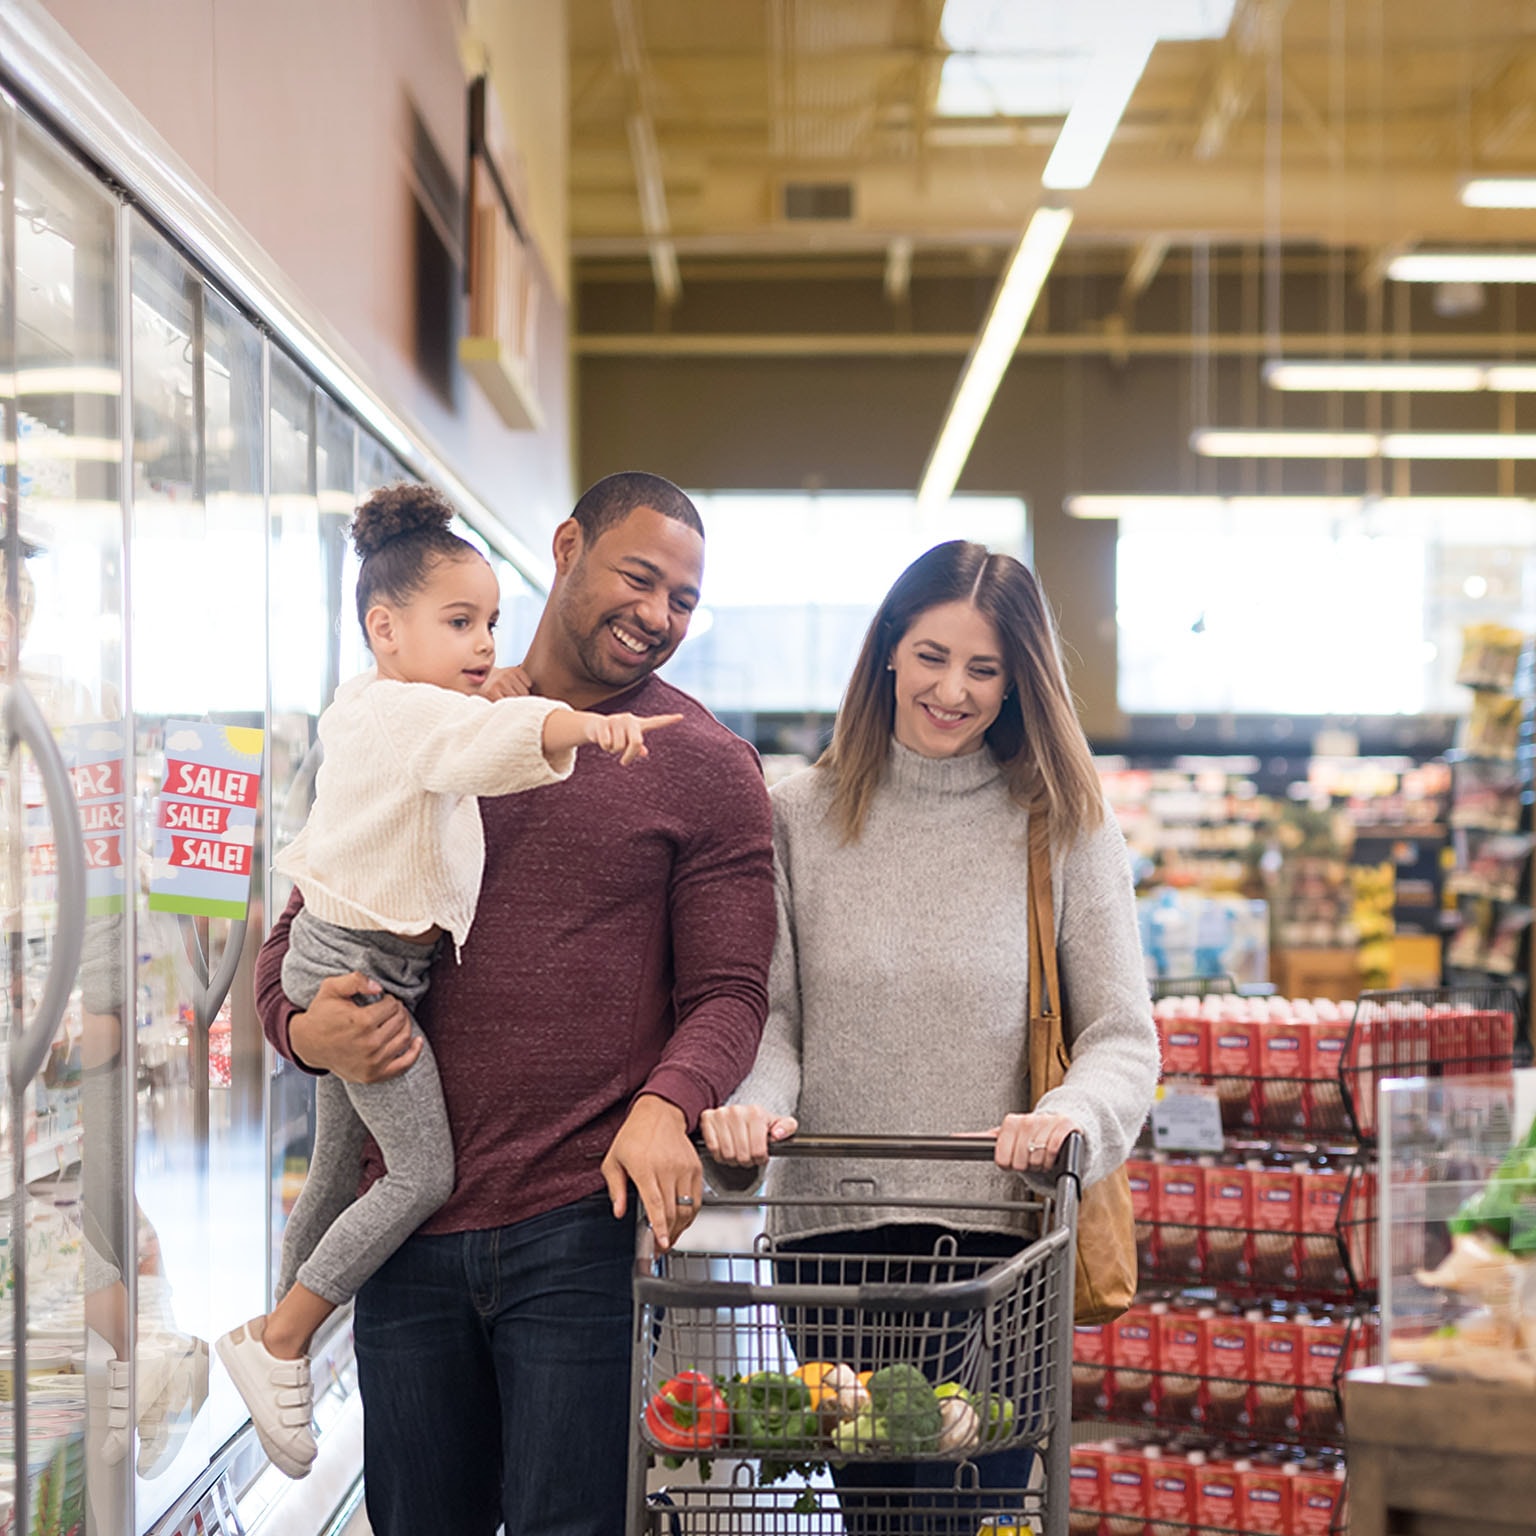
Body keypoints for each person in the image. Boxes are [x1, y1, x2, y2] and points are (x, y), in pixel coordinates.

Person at [254, 472, 776, 1533]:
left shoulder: (710, 768)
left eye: (684, 599)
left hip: (579, 1226)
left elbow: (729, 991)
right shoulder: (412, 720)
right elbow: (308, 920)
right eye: (640, 577)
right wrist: (304, 1030)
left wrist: (665, 1103)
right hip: (407, 1222)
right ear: (568, 545)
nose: (659, 615)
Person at [702, 539, 1160, 1535]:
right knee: (875, 1514)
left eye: (985, 668)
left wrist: (1069, 1113)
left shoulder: (1064, 825)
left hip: (1000, 1248)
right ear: (888, 655)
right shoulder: (796, 816)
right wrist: (754, 1107)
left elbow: (1123, 1037)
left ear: (1018, 682)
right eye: (932, 656)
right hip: (829, 1248)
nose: (953, 689)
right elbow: (776, 1019)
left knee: (971, 1510)